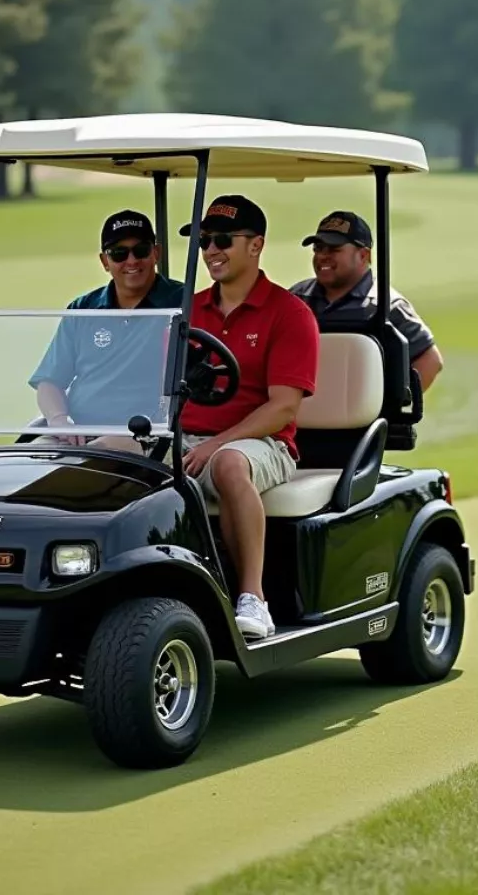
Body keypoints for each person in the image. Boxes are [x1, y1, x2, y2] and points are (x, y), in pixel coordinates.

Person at [179, 195, 320, 640]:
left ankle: (253, 599)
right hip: (186, 437)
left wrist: (215, 443)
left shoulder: (288, 313)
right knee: (114, 455)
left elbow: (283, 408)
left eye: (223, 240)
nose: (211, 251)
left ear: (256, 245)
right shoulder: (189, 309)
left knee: (228, 465)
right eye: (204, 241)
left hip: (265, 443)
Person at [29, 210, 184, 452]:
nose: (131, 261)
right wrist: (59, 421)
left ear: (156, 253)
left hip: (146, 434)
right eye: (119, 254)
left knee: (90, 461)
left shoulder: (183, 302)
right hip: (78, 433)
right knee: (21, 466)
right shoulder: (84, 308)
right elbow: (50, 381)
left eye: (140, 250)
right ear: (104, 261)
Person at [290, 210, 443, 393]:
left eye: (334, 249)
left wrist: (389, 404)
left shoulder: (386, 306)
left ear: (363, 255)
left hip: (362, 417)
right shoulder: (296, 298)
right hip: (303, 414)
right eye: (318, 249)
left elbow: (430, 360)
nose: (322, 256)